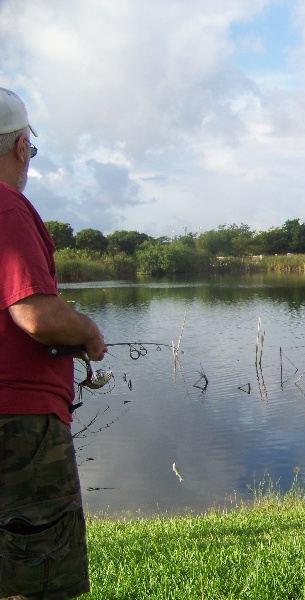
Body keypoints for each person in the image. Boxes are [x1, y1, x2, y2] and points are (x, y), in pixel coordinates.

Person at [0, 87, 106, 599]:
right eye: (31, 151)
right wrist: (87, 333)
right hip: (19, 424)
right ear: (21, 146)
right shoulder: (8, 208)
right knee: (38, 580)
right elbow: (37, 316)